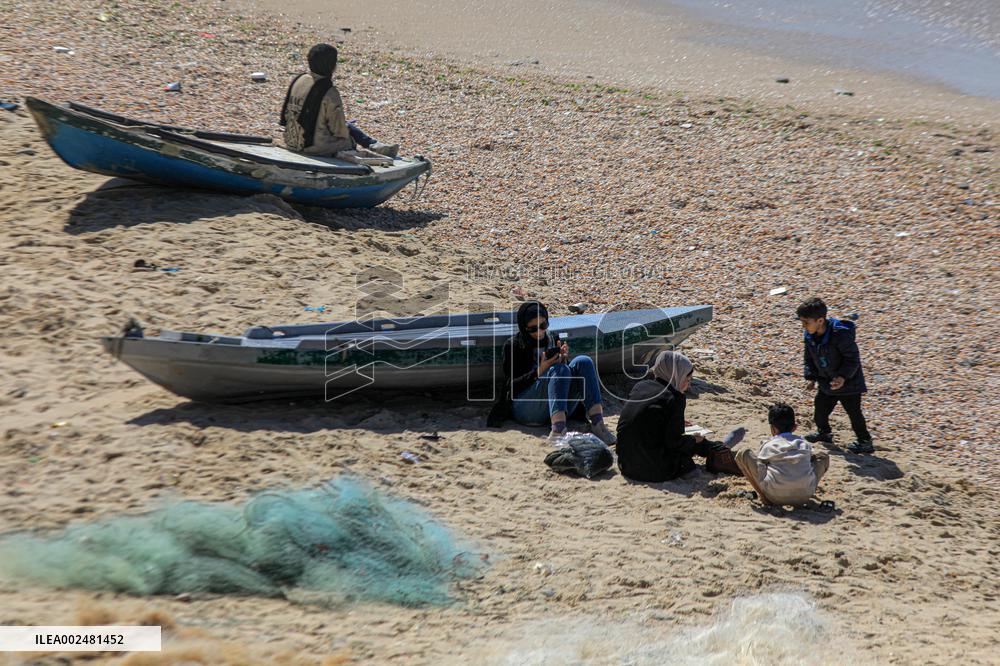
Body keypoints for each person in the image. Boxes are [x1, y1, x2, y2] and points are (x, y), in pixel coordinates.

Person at [486, 301, 616, 445]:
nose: (539, 332)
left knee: (583, 361)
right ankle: (558, 431)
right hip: (528, 408)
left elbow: (563, 378)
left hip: (556, 406)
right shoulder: (514, 345)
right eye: (533, 329)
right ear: (524, 328)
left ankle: (598, 424)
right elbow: (512, 387)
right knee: (558, 370)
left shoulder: (553, 338)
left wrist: (564, 360)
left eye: (543, 326)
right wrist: (541, 370)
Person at [615, 350, 739, 482]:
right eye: (687, 379)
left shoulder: (641, 386)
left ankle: (718, 449)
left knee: (687, 439)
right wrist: (695, 440)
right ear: (677, 375)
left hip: (626, 465)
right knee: (693, 443)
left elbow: (643, 419)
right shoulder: (674, 398)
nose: (688, 384)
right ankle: (719, 451)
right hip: (652, 471)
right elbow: (675, 443)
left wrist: (672, 421)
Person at [280, 44, 398, 158]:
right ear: (332, 66)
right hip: (312, 147)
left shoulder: (298, 79)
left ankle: (374, 145)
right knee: (349, 139)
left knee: (344, 127)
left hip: (291, 141)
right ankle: (374, 146)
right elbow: (339, 130)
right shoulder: (328, 91)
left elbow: (285, 117)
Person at [797, 297, 874, 454]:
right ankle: (824, 433)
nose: (803, 326)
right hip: (826, 382)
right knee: (820, 410)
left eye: (806, 322)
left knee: (854, 413)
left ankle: (864, 441)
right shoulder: (810, 335)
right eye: (802, 322)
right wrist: (811, 377)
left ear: (820, 320)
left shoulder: (841, 334)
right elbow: (809, 358)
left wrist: (842, 377)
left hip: (849, 384)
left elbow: (852, 359)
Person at [735, 403, 830, 506]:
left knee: (743, 454)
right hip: (804, 496)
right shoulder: (804, 443)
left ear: (773, 429)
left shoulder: (769, 444)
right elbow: (811, 460)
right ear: (794, 427)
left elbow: (761, 464)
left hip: (775, 496)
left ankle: (764, 498)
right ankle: (804, 487)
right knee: (823, 457)